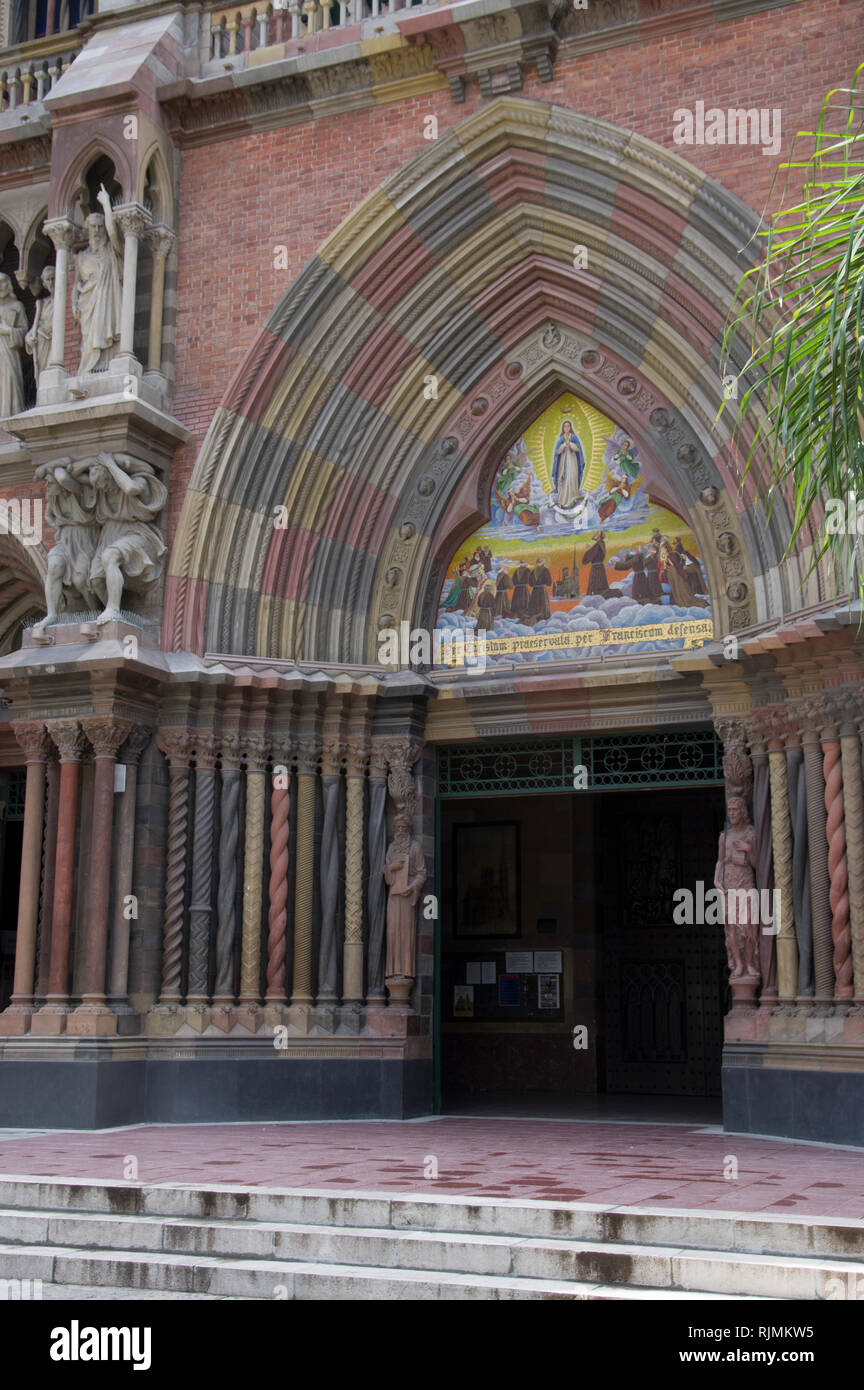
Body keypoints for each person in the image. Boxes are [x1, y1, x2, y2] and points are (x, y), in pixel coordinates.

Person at [87, 451, 168, 624]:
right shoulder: (105, 489)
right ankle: (120, 613)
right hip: (110, 534)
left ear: (114, 475)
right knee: (95, 580)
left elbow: (130, 488)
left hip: (136, 533)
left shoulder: (140, 481)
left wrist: (110, 463)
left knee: (110, 556)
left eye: (107, 483)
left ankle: (113, 610)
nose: (106, 489)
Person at [73, 185, 123, 374]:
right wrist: (74, 304)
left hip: (109, 300)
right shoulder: (81, 258)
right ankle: (88, 366)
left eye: (99, 226)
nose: (96, 231)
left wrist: (106, 205)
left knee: (108, 330)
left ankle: (107, 363)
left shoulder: (112, 252)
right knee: (89, 338)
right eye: (92, 227)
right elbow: (75, 287)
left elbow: (113, 234)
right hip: (89, 305)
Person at [714, 797, 759, 979]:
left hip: (745, 881)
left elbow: (756, 864)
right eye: (730, 810)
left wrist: (748, 849)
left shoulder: (750, 834)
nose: (732, 813)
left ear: (742, 812)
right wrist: (716, 881)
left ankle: (750, 963)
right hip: (729, 882)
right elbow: (720, 861)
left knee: (749, 924)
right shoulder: (724, 836)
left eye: (735, 810)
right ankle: (739, 965)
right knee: (732, 926)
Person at [0, 272, 26, 417]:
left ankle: (11, 414)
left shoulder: (17, 306)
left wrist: (8, 331)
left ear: (8, 285)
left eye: (3, 282)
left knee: (10, 378)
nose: (0, 286)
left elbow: (24, 331)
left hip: (9, 349)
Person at [25, 265, 55, 386]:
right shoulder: (43, 303)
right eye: (47, 279)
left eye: (53, 278)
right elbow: (34, 328)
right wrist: (29, 338)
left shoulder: (64, 300)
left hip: (55, 341)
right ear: (44, 283)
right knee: (44, 375)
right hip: (43, 342)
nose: (51, 282)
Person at [551, 419, 587, 509]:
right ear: (563, 428)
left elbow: (578, 449)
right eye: (565, 426)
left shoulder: (574, 437)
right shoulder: (560, 439)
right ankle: (562, 501)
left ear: (570, 427)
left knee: (572, 477)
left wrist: (570, 444)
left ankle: (574, 498)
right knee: (562, 479)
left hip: (572, 461)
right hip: (562, 463)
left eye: (568, 426)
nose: (566, 428)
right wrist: (563, 445)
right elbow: (557, 452)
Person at [527, 557, 552, 623]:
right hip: (541, 590)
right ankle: (543, 616)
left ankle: (536, 615)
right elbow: (549, 582)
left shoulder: (533, 571)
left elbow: (530, 583)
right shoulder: (545, 570)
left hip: (535, 590)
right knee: (542, 603)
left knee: (535, 603)